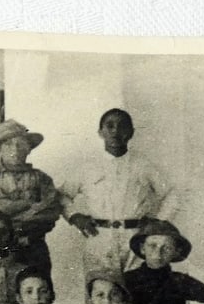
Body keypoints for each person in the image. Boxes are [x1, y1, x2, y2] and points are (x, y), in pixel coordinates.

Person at [62, 109, 179, 280]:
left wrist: (158, 223)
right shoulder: (88, 167)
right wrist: (74, 216)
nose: (116, 131)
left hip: (136, 239)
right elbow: (61, 195)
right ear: (100, 132)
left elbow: (171, 194)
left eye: (122, 126)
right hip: (99, 238)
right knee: (101, 292)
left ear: (131, 132)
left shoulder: (143, 165)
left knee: (138, 293)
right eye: (110, 126)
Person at [0, 119, 62, 273]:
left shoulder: (42, 178)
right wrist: (32, 204)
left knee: (38, 288)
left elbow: (51, 211)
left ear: (29, 148)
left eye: (20, 144)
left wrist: (17, 214)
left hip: (34, 245)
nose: (15, 150)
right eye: (8, 144)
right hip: (2, 245)